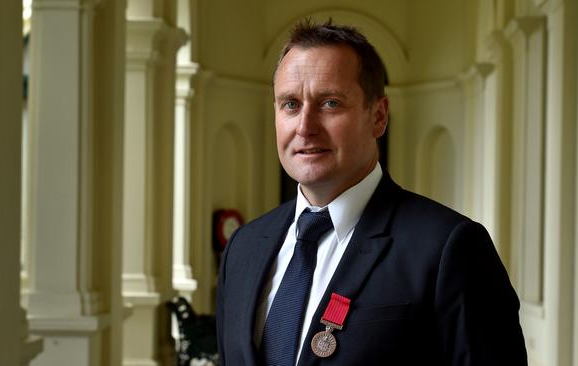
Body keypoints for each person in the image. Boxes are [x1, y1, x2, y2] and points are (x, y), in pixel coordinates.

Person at [216, 19, 527, 366]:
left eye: (330, 103)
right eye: (290, 104)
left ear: (378, 116)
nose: (305, 127)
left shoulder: (449, 249)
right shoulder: (243, 248)